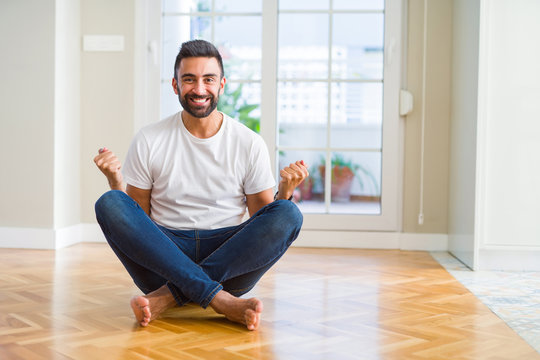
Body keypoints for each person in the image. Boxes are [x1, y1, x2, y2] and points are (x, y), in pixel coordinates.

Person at [93, 39, 308, 331]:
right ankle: (222, 301)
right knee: (110, 202)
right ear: (175, 85)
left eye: (208, 79)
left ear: (221, 85)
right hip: (163, 258)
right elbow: (138, 223)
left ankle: (168, 298)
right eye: (189, 79)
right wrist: (115, 182)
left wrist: (285, 193)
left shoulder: (249, 143)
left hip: (228, 260)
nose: (199, 89)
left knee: (289, 213)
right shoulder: (149, 139)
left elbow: (264, 221)